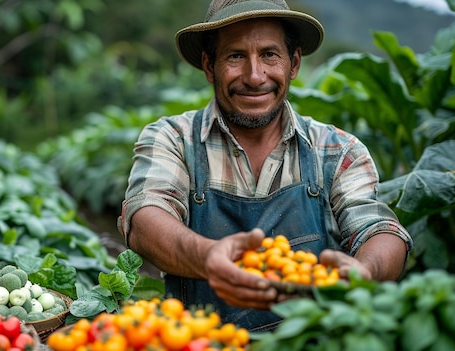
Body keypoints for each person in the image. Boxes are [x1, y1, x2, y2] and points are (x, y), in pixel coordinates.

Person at [118, 0, 413, 332]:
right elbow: (145, 217)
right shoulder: (173, 139)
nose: (254, 76)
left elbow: (379, 230)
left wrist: (365, 272)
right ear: (208, 66)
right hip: (201, 340)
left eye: (270, 55)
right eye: (235, 56)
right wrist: (208, 259)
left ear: (294, 63)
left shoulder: (336, 149)